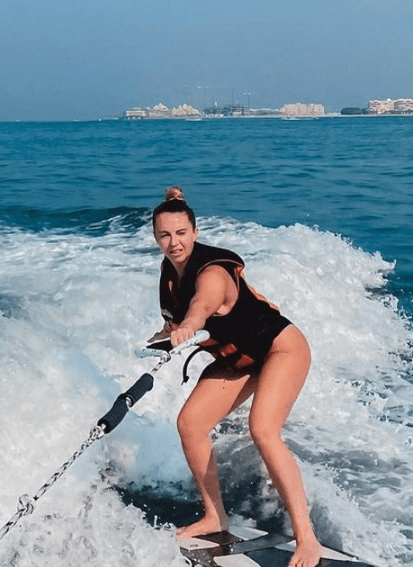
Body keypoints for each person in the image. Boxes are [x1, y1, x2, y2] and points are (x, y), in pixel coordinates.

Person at [150, 186, 322, 567]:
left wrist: (190, 325)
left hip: (281, 348)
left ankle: (307, 539)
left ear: (195, 233)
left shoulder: (211, 274)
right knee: (190, 424)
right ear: (155, 237)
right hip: (239, 358)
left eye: (181, 233)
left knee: (262, 428)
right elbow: (181, 316)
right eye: (165, 235)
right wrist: (168, 334)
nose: (174, 242)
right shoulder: (170, 273)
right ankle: (215, 516)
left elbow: (201, 307)